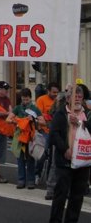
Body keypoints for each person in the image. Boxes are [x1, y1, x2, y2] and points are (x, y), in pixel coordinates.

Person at [48, 85, 91, 223]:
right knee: (60, 195)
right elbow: (54, 134)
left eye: (80, 96)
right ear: (68, 99)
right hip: (65, 162)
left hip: (83, 162)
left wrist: (79, 122)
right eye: (75, 97)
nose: (78, 99)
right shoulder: (61, 114)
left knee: (77, 196)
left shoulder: (88, 114)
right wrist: (64, 149)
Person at [12, 87, 44, 189]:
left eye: (27, 99)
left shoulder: (35, 109)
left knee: (30, 158)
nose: (25, 101)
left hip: (31, 137)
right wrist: (19, 121)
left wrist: (34, 120)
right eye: (23, 99)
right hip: (20, 137)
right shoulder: (17, 108)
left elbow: (43, 122)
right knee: (20, 158)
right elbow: (9, 119)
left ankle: (31, 181)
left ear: (30, 98)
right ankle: (21, 180)